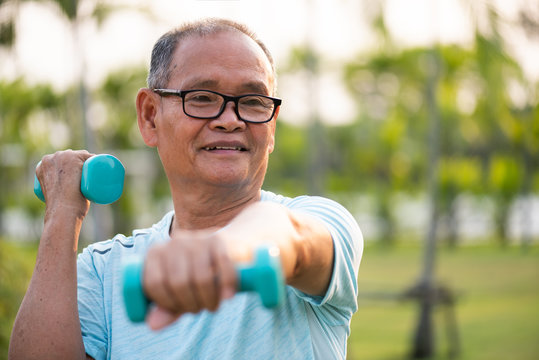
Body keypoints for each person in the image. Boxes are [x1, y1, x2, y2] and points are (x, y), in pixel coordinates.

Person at [9, 18, 363, 360]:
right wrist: (61, 213)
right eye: (202, 97)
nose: (230, 119)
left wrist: (225, 251)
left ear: (271, 129)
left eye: (254, 101)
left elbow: (291, 238)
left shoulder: (325, 221)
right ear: (150, 116)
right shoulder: (105, 272)